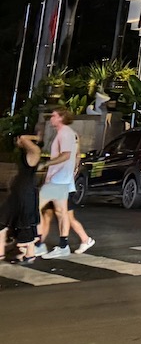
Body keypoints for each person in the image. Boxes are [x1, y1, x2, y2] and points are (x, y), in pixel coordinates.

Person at [38, 109, 93, 259]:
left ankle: (38, 244)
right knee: (60, 213)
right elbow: (75, 156)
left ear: (61, 117)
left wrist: (46, 164)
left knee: (36, 208)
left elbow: (67, 155)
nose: (51, 118)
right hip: (61, 179)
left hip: (58, 180)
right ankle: (57, 245)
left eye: (54, 116)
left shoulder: (66, 133)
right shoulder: (67, 133)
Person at [1, 132, 44, 262]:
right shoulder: (26, 154)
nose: (17, 141)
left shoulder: (34, 152)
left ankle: (30, 254)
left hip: (25, 193)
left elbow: (25, 139)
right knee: (3, 219)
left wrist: (33, 137)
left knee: (25, 221)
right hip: (19, 192)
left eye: (18, 139)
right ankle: (2, 252)